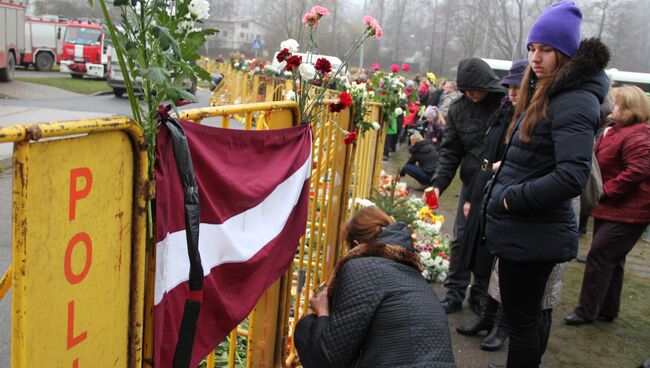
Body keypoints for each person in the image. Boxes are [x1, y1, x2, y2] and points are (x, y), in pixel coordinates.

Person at [484, 1, 610, 367]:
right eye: (532, 49)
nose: (536, 58)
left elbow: (572, 175)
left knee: (522, 322)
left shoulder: (573, 99)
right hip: (529, 228)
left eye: (546, 50)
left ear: (566, 53)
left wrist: (510, 199)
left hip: (532, 227)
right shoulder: (552, 92)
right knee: (529, 318)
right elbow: (543, 154)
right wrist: (509, 169)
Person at [294, 206, 456, 368]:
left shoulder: (361, 266)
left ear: (356, 246)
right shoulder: (415, 277)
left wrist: (323, 312)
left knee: (307, 328)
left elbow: (328, 358)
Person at [455, 60, 528, 351]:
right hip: (486, 186)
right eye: (508, 87)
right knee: (482, 256)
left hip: (510, 194)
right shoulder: (504, 113)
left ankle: (503, 324)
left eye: (517, 88)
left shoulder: (532, 117)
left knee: (505, 266)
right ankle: (487, 315)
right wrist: (473, 197)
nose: (511, 93)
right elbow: (485, 154)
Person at [565, 85, 650, 326]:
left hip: (629, 211)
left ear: (630, 108)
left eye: (617, 103)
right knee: (613, 259)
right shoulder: (615, 129)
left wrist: (605, 191)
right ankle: (607, 309)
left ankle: (586, 310)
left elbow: (638, 170)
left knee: (600, 256)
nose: (612, 106)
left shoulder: (638, 133)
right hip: (612, 208)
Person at [431, 57, 504, 315]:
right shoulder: (460, 110)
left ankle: (480, 294)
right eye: (466, 91)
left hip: (495, 184)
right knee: (461, 240)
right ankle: (454, 293)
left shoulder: (503, 105)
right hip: (470, 181)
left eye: (475, 89)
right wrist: (439, 182)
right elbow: (451, 150)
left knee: (486, 242)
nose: (471, 95)